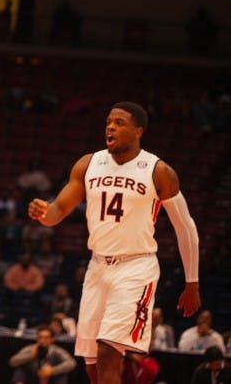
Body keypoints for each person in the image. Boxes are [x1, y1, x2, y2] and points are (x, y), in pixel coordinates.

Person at [28, 101, 202, 384]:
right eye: (109, 122)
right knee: (92, 364)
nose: (110, 126)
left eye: (119, 123)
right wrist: (45, 214)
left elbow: (185, 227)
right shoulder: (88, 164)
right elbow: (58, 209)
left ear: (138, 131)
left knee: (109, 350)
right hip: (97, 267)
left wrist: (192, 282)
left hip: (135, 267)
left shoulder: (158, 171)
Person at [8, 325, 77, 384]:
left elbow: (71, 363)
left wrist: (52, 371)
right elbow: (12, 362)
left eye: (46, 338)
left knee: (62, 374)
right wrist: (30, 356)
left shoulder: (56, 350)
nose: (42, 341)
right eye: (40, 337)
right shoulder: (30, 349)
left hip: (50, 378)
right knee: (20, 370)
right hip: (33, 377)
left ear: (52, 339)